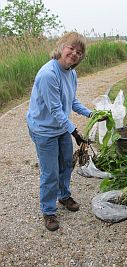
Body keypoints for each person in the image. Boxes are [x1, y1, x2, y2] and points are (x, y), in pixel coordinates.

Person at [26, 32, 98, 231]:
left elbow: (72, 101)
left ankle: (64, 196)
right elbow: (56, 110)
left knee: (67, 163)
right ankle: (48, 211)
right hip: (43, 129)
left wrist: (92, 114)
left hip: (60, 127)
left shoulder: (71, 73)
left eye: (79, 52)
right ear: (61, 47)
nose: (74, 53)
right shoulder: (48, 74)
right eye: (71, 48)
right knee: (50, 172)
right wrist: (75, 132)